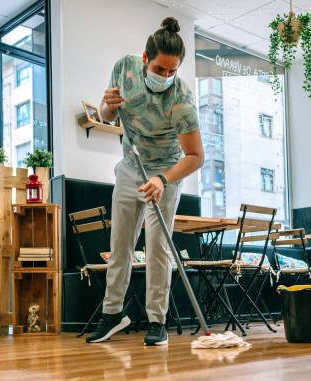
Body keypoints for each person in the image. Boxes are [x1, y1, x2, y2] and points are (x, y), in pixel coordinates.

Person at [85, 17, 203, 346]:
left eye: (172, 71)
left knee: (157, 247)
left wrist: (164, 179)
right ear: (144, 59)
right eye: (160, 69)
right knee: (119, 245)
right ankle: (112, 315)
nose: (165, 76)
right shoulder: (123, 69)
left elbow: (195, 157)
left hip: (165, 171)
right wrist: (106, 107)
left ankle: (157, 320)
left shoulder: (182, 100)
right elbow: (108, 117)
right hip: (130, 166)